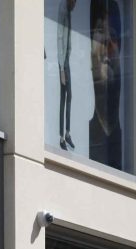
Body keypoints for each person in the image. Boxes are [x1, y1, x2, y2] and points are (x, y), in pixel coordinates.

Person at [88, 0, 123, 168]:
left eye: (113, 35)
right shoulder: (84, 135)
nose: (108, 41)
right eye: (100, 30)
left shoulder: (131, 141)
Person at [56, 0, 77, 149]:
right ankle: (62, 137)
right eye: (74, 2)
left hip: (66, 60)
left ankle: (66, 134)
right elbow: (60, 38)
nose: (75, 5)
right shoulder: (63, 9)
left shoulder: (68, 10)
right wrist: (62, 69)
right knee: (64, 97)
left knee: (68, 96)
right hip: (62, 61)